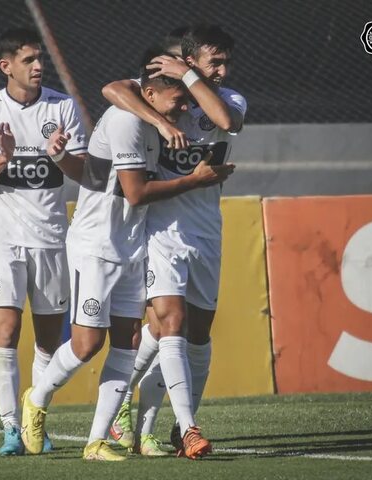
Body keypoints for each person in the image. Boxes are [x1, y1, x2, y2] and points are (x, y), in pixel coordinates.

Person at [20, 48, 234, 461]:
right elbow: (134, 193)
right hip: (97, 244)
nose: (185, 108)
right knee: (86, 344)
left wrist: (64, 158)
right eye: (178, 101)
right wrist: (196, 180)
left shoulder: (155, 119)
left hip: (133, 243)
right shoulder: (127, 121)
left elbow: (96, 174)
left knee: (127, 342)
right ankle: (38, 397)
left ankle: (96, 441)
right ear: (150, 94)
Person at [103, 24, 247, 458]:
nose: (221, 70)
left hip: (206, 232)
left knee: (196, 335)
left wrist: (190, 77)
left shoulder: (230, 99)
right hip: (160, 232)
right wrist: (160, 120)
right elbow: (113, 88)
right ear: (190, 59)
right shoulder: (162, 93)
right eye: (213, 62)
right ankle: (189, 429)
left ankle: (122, 398)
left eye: (224, 62)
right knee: (171, 322)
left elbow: (226, 122)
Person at [0, 27, 88, 456]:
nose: (38, 67)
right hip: (3, 237)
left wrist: (58, 155)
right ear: (7, 66)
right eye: (30, 60)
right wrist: (3, 158)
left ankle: (37, 417)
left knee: (49, 340)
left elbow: (83, 173)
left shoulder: (62, 106)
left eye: (40, 60)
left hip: (52, 236)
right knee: (6, 328)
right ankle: (11, 428)